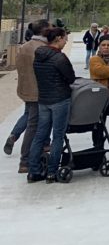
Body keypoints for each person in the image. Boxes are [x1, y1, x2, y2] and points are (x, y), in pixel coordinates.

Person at [27, 27, 75, 183]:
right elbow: (71, 78)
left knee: (40, 135)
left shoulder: (39, 56)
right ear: (58, 38)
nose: (66, 41)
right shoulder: (59, 58)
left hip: (43, 99)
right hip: (60, 99)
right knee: (58, 135)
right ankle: (52, 171)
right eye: (65, 38)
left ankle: (33, 171)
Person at [5, 19, 48, 174]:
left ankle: (18, 141)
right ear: (44, 31)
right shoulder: (42, 48)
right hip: (40, 93)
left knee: (30, 119)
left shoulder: (24, 47)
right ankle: (26, 160)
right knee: (34, 125)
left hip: (26, 90)